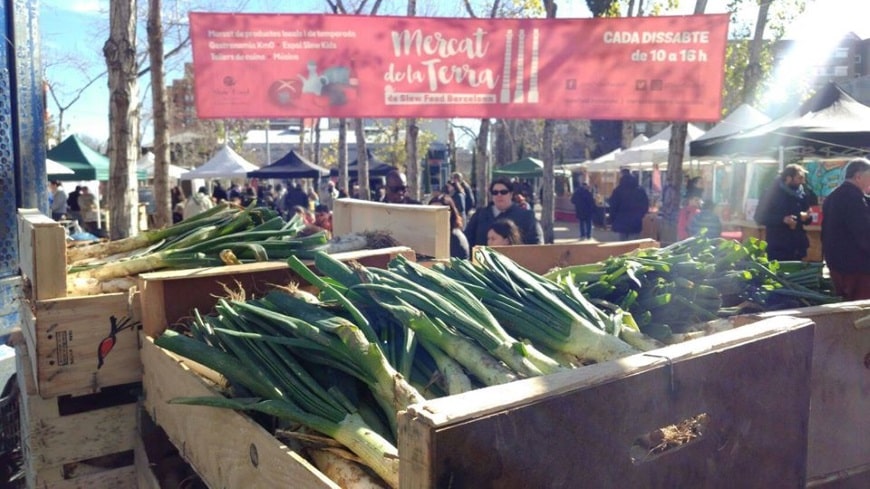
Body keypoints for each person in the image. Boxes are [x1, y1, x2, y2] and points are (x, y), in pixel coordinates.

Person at [821, 157, 870, 301]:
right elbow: (863, 233)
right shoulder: (853, 198)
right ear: (858, 176)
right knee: (859, 311)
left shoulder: (833, 196)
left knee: (844, 305)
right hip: (856, 266)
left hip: (836, 263)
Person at [754, 164, 812, 261]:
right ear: (789, 178)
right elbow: (759, 217)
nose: (803, 181)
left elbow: (805, 216)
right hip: (778, 247)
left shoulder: (802, 194)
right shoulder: (771, 194)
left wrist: (806, 217)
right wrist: (782, 220)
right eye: (800, 178)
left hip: (797, 246)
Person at [464, 177, 543, 247]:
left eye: (503, 192)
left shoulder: (526, 216)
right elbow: (467, 240)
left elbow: (537, 244)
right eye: (495, 192)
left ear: (511, 194)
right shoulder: (480, 215)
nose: (499, 195)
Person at [608, 169, 649, 241]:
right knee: (633, 244)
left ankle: (623, 250)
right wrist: (641, 215)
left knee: (622, 243)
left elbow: (613, 206)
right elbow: (645, 205)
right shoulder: (640, 190)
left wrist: (612, 219)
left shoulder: (618, 190)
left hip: (621, 221)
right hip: (636, 221)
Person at [428, 193, 470, 259]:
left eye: (439, 213)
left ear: (450, 214)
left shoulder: (456, 238)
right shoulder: (430, 235)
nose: (435, 216)